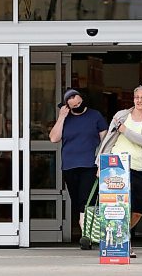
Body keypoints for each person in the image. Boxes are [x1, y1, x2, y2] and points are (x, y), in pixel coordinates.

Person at [96, 85, 142, 258]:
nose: (139, 100)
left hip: (140, 167)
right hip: (117, 166)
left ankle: (119, 235)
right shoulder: (121, 116)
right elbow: (108, 141)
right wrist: (101, 165)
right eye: (136, 97)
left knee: (138, 209)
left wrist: (126, 130)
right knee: (119, 206)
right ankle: (123, 242)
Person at [49, 88, 108, 237]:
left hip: (90, 164)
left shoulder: (95, 116)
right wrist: (61, 117)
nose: (77, 105)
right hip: (69, 165)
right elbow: (54, 138)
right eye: (73, 104)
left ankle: (86, 233)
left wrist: (102, 163)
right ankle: (85, 227)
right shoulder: (66, 118)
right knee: (77, 199)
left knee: (86, 199)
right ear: (67, 105)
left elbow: (105, 141)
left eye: (79, 101)